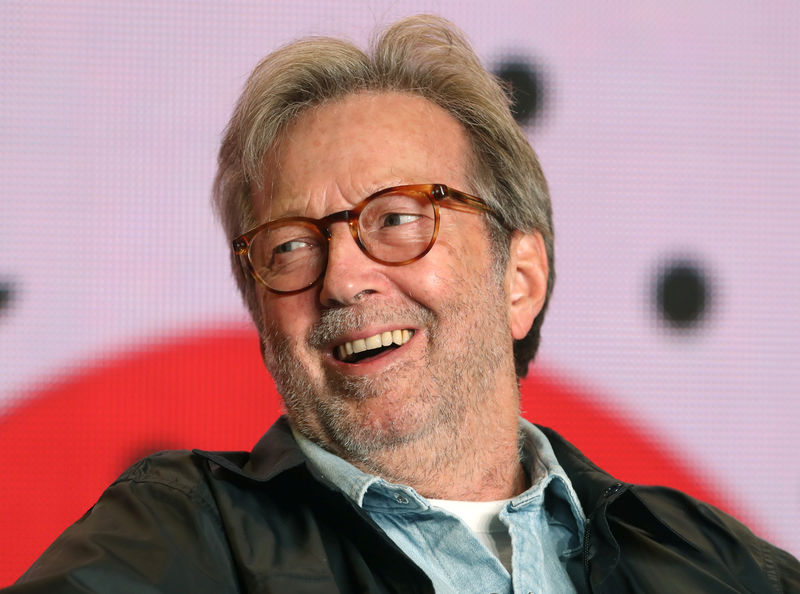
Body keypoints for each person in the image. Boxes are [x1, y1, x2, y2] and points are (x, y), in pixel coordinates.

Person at [7, 14, 799, 594]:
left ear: (518, 280)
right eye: (289, 246)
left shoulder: (723, 569)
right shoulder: (173, 542)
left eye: (397, 220)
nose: (342, 279)